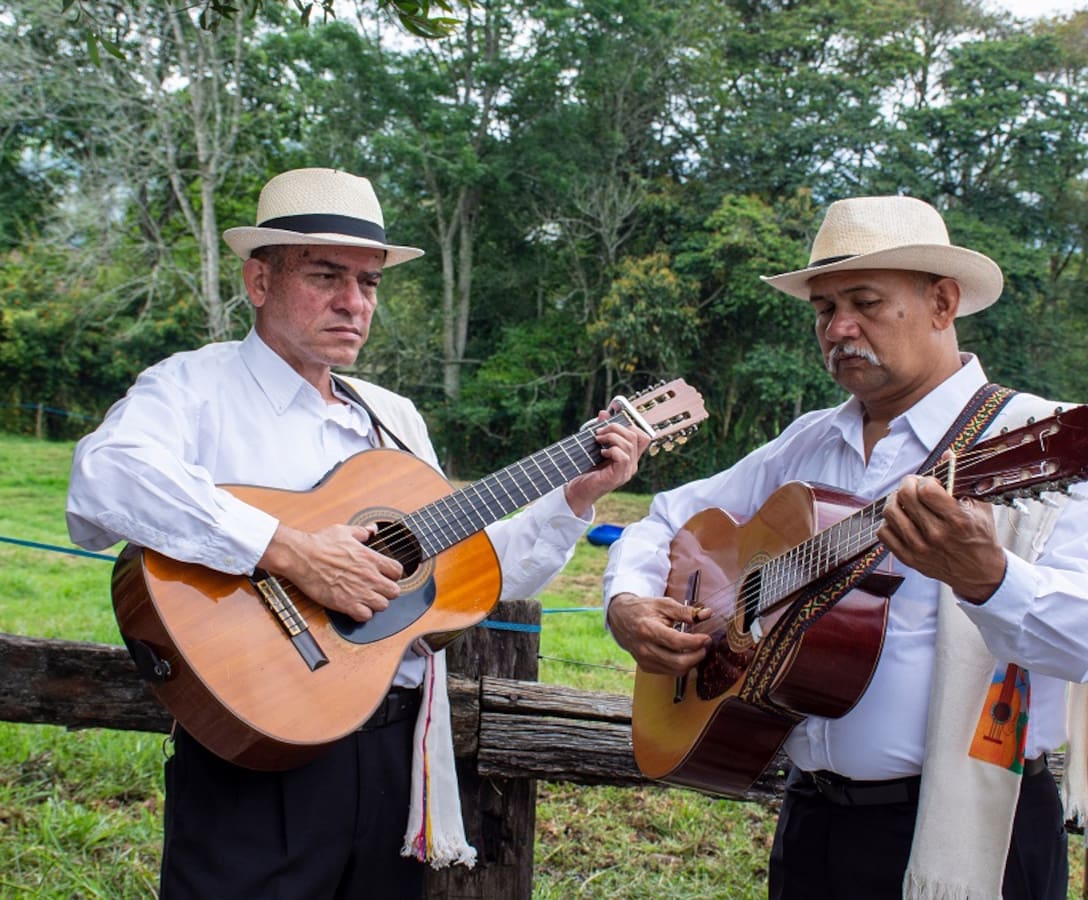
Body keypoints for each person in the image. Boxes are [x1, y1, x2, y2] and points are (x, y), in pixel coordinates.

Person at [66, 167, 650, 899]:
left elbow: (461, 580)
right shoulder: (193, 388)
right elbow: (105, 478)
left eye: (369, 282)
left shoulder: (394, 417)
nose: (353, 302)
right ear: (258, 280)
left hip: (393, 754)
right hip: (253, 752)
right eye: (325, 275)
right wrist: (294, 553)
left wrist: (571, 498)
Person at [603, 195, 1088, 900]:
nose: (839, 328)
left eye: (866, 302)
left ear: (943, 302)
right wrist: (627, 601)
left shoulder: (1035, 438)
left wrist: (991, 580)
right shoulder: (809, 441)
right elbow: (664, 516)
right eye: (824, 309)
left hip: (975, 835)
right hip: (810, 822)